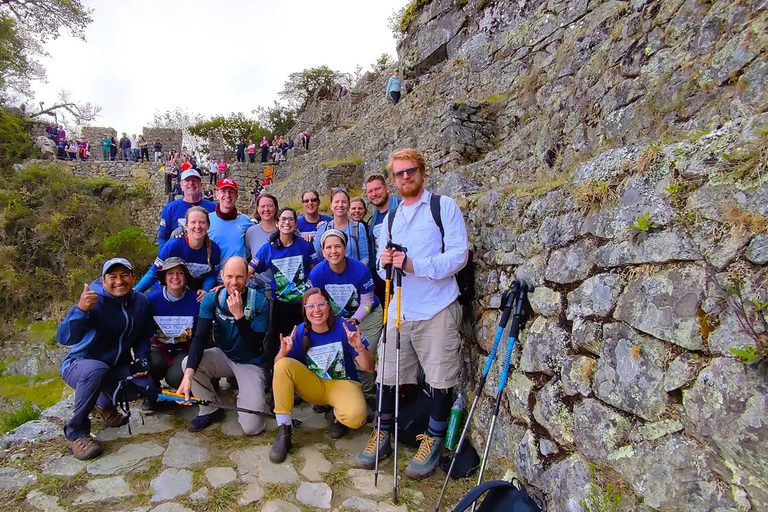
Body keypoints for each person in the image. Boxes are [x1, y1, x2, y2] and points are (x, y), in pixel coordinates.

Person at [356, 148, 469, 480]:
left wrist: (416, 265)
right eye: (399, 173)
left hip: (437, 306)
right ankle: (383, 432)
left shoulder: (442, 207)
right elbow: (381, 262)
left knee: (440, 378)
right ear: (393, 180)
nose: (405, 177)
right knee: (387, 374)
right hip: (399, 308)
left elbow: (459, 255)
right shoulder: (390, 219)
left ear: (422, 171)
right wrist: (387, 263)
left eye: (411, 171)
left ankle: (432, 440)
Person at [56, 258, 154, 460]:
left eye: (125, 275)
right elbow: (65, 338)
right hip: (80, 365)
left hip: (114, 368)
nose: (119, 281)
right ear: (103, 280)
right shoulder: (93, 301)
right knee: (96, 371)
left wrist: (141, 359)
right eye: (113, 276)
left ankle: (104, 404)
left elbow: (144, 335)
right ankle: (76, 432)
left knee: (146, 386)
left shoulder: (141, 302)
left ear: (134, 278)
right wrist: (80, 310)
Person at [269, 288, 372, 462]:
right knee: (282, 365)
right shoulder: (301, 332)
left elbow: (369, 367)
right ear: (305, 311)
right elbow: (278, 368)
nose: (316, 310)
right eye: (310, 306)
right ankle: (284, 430)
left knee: (356, 418)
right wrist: (284, 351)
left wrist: (359, 348)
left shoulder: (344, 327)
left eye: (320, 304)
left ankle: (338, 415)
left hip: (343, 384)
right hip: (315, 386)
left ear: (329, 307)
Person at [178, 257, 270, 434]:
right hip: (223, 355)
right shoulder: (212, 299)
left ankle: (249, 395)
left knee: (252, 428)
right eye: (229, 277)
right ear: (221, 275)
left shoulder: (259, 301)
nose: (233, 282)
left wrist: (239, 317)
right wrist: (188, 377)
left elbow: (255, 344)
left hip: (250, 361)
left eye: (239, 277)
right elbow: (200, 337)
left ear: (248, 278)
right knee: (188, 364)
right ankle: (210, 407)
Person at [309, 230, 383, 408]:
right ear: (322, 250)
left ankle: (366, 395)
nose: (333, 251)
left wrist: (355, 320)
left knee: (363, 353)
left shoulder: (360, 270)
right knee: (336, 354)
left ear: (345, 248)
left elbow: (367, 301)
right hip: (336, 317)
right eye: (328, 247)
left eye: (337, 246)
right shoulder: (318, 273)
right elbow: (315, 300)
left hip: (367, 316)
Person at [249, 207, 318, 365]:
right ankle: (274, 374)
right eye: (283, 219)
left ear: (295, 223)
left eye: (291, 219)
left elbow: (316, 270)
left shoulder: (305, 246)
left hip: (303, 304)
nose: (287, 222)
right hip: (281, 304)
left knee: (304, 339)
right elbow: (250, 268)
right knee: (276, 341)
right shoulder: (268, 248)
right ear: (277, 223)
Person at [144, 257, 200, 413]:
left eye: (180, 273)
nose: (175, 277)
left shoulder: (196, 299)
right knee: (150, 361)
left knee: (176, 376)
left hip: (183, 349)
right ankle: (150, 393)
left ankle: (185, 389)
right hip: (158, 347)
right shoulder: (151, 300)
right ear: (164, 278)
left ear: (186, 277)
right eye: (171, 273)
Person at [138, 206, 221, 297]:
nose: (197, 226)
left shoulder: (214, 250)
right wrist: (135, 291)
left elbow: (211, 275)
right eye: (193, 222)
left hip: (193, 294)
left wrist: (205, 290)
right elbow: (153, 272)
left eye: (202, 222)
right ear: (186, 225)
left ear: (208, 226)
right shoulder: (173, 246)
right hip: (166, 292)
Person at [365, 173, 401, 303]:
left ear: (387, 188)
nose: (374, 193)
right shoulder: (373, 218)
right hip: (383, 273)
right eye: (370, 191)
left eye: (377, 189)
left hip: (402, 272)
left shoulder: (401, 209)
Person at [156, 169, 217, 248]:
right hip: (178, 257)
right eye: (187, 180)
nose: (191, 183)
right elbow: (162, 237)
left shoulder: (213, 207)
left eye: (195, 180)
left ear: (201, 185)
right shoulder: (170, 208)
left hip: (206, 256)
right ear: (181, 185)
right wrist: (166, 256)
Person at [314, 188, 369, 266]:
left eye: (344, 202)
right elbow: (318, 256)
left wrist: (358, 273)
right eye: (336, 202)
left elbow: (364, 257)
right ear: (331, 206)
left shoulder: (358, 228)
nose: (340, 205)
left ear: (349, 205)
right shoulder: (322, 229)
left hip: (353, 275)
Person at [208, 178, 253, 267]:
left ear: (236, 196)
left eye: (231, 192)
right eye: (223, 191)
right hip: (213, 277)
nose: (227, 195)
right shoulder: (207, 219)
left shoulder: (245, 221)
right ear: (217, 194)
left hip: (238, 278)